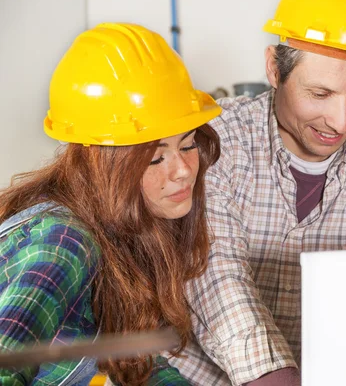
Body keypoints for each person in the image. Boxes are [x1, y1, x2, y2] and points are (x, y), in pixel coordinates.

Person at [169, 0, 346, 385]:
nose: (340, 121)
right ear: (275, 69)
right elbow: (217, 277)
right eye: (320, 93)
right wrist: (275, 376)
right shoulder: (214, 144)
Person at [0, 23, 221, 385]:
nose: (183, 171)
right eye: (154, 158)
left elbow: (135, 365)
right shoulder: (62, 243)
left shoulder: (122, 231)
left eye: (187, 145)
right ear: (102, 162)